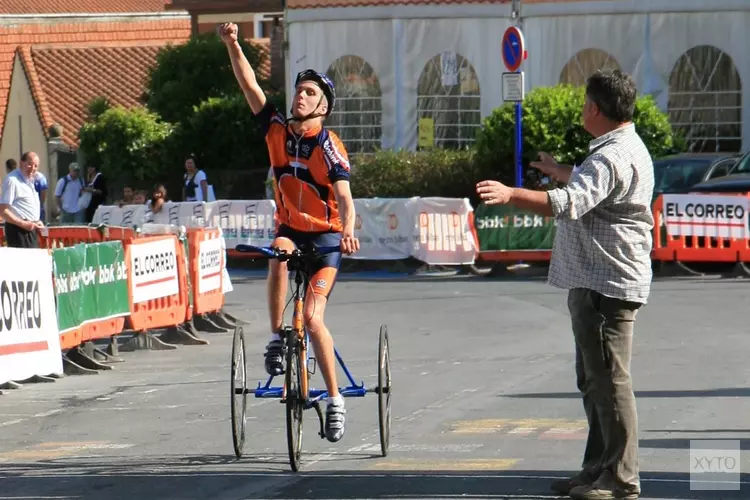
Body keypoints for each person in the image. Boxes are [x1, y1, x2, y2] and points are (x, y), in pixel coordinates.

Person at [476, 69, 653, 500]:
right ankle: (597, 468)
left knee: (609, 381)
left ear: (595, 108)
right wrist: (562, 170)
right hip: (599, 277)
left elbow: (572, 204)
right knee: (594, 381)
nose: (580, 110)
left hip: (606, 281)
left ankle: (621, 478)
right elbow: (595, 187)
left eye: (583, 104)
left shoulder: (611, 156)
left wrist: (512, 193)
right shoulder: (619, 147)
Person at [220, 21, 360, 443]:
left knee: (315, 319)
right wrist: (233, 43)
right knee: (277, 252)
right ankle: (279, 337)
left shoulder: (328, 146)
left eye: (310, 92)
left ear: (323, 107)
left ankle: (336, 400)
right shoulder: (277, 130)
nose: (300, 95)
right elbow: (249, 87)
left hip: (326, 241)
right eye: (299, 90)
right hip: (290, 231)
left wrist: (350, 230)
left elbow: (346, 198)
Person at [0, 152, 44, 248]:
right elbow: (3, 210)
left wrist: (36, 220)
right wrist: (23, 224)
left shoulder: (31, 180)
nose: (33, 168)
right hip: (18, 230)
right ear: (21, 163)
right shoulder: (12, 180)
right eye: (29, 164)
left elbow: (25, 205)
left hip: (30, 229)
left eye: (36, 166)